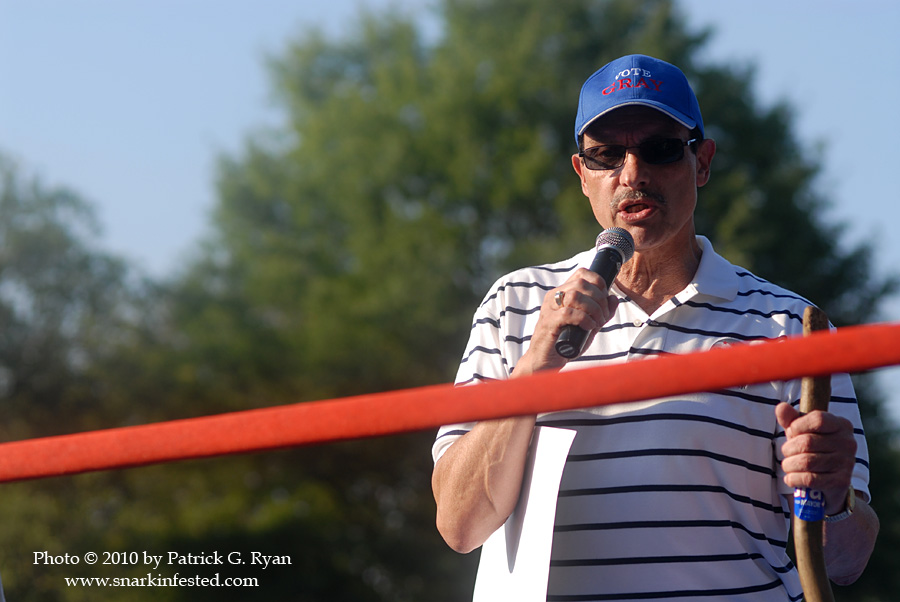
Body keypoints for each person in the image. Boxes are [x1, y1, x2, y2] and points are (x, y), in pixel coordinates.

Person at [431, 54, 878, 601]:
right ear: (582, 175)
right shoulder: (516, 303)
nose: (632, 174)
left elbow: (848, 562)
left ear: (702, 163)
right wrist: (536, 364)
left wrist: (832, 498)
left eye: (660, 148)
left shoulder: (791, 326)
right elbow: (459, 525)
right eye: (606, 155)